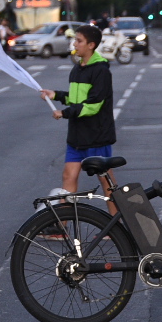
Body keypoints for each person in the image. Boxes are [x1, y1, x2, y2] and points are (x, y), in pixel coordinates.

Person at [39, 23, 115, 196]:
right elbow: (75, 99)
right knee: (68, 176)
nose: (74, 44)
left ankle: (117, 220)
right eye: (75, 40)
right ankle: (62, 223)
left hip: (97, 136)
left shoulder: (101, 71)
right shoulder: (77, 69)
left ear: (91, 45)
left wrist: (64, 113)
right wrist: (55, 95)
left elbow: (93, 106)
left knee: (106, 182)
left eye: (79, 41)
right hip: (77, 135)